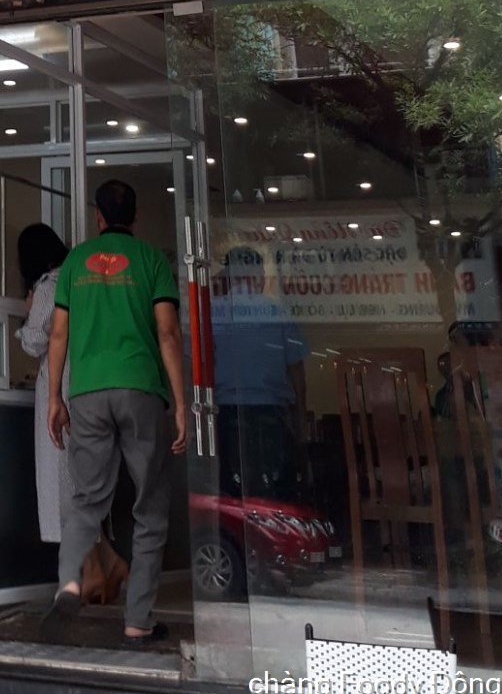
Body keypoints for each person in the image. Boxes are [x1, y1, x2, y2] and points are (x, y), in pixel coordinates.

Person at [46, 178, 186, 644]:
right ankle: (138, 618)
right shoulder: (151, 261)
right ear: (136, 216)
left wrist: (55, 397)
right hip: (140, 389)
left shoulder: (75, 262)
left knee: (87, 500)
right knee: (150, 506)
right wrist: (181, 403)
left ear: (99, 217)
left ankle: (70, 581)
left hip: (87, 392)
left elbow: (59, 334)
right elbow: (167, 333)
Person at [210, 245, 308, 500]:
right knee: (273, 492)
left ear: (228, 276)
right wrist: (300, 419)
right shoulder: (276, 311)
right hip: (271, 413)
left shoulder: (212, 311)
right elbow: (296, 370)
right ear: (260, 276)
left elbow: (194, 366)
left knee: (230, 493)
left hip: (225, 413)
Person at [16, 222, 71, 544]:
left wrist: (27, 313)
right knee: (83, 482)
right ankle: (104, 562)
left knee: (60, 479)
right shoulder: (78, 277)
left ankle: (89, 566)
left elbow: (34, 341)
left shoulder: (49, 286)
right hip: (86, 384)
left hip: (61, 389)